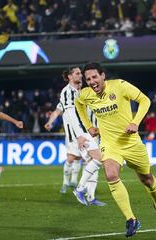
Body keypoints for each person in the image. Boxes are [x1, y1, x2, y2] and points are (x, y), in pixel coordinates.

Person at [75, 62, 156, 237]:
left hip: (131, 142)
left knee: (147, 179)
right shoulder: (86, 94)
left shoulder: (119, 86)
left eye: (95, 77)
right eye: (88, 79)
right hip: (110, 144)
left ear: (103, 75)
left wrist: (135, 122)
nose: (92, 81)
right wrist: (88, 126)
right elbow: (79, 104)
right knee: (111, 174)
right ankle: (131, 219)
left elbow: (145, 100)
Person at [44, 66, 105, 206]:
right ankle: (75, 187)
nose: (81, 76)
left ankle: (90, 196)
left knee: (93, 162)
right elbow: (69, 114)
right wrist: (79, 136)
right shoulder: (67, 92)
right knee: (86, 159)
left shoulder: (83, 91)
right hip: (80, 134)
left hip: (90, 132)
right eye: (77, 73)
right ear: (70, 76)